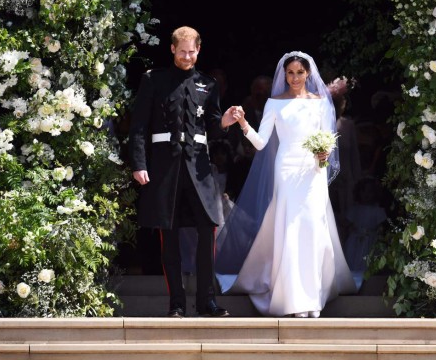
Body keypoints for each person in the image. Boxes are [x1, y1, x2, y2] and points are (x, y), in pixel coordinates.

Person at [215, 51, 356, 318]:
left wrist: (323, 158)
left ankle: (312, 296)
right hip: (286, 168)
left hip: (313, 171)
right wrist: (243, 123)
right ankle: (292, 298)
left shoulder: (321, 103)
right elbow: (260, 142)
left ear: (308, 74)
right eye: (290, 72)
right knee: (290, 227)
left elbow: (327, 141)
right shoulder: (274, 103)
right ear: (284, 74)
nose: (294, 77)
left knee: (313, 227)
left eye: (299, 73)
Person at [129, 26, 241, 318]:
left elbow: (214, 126)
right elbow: (139, 126)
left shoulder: (208, 84)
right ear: (172, 49)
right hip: (165, 169)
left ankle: (208, 302)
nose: (187, 57)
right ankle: (176, 303)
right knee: (170, 237)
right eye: (182, 52)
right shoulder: (154, 80)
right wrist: (139, 164)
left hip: (200, 170)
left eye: (192, 52)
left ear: (198, 50)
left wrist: (226, 121)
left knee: (208, 231)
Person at [327, 77, 362, 245]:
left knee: (347, 218)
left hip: (345, 180)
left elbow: (354, 154)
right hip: (324, 180)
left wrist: (357, 180)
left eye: (338, 103)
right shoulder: (318, 125)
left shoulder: (348, 125)